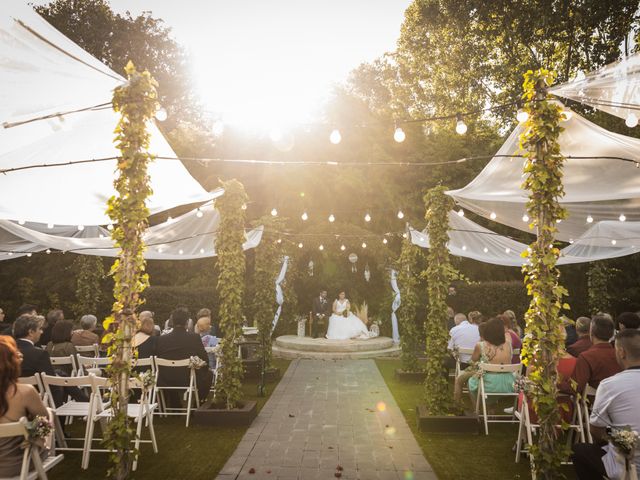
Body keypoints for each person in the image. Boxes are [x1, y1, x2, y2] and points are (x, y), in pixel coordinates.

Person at [571, 329, 640, 480]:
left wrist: (613, 433)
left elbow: (596, 429)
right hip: (631, 451)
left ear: (621, 352)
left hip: (630, 466)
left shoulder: (610, 385)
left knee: (580, 451)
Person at [0, 336, 49, 477]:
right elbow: (44, 423)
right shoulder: (25, 392)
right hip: (16, 466)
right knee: (47, 416)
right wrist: (35, 438)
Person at [155, 307, 212, 405]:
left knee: (170, 370)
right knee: (209, 374)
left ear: (172, 322)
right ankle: (199, 402)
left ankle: (174, 400)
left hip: (164, 380)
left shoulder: (161, 339)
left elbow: (157, 359)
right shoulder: (194, 338)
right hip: (187, 379)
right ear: (187, 322)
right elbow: (205, 360)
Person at [12, 315, 62, 406]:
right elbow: (52, 385)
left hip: (10, 399)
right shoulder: (39, 354)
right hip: (36, 401)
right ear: (31, 332)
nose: (42, 332)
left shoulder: (5, 351)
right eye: (40, 329)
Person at [569, 314, 622, 394]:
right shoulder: (622, 355)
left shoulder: (586, 357)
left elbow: (574, 387)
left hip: (595, 403)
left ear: (591, 333)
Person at [466, 317, 515, 402]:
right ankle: (491, 407)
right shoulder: (509, 345)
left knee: (471, 382)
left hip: (489, 385)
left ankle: (477, 410)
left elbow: (472, 362)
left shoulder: (480, 345)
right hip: (509, 384)